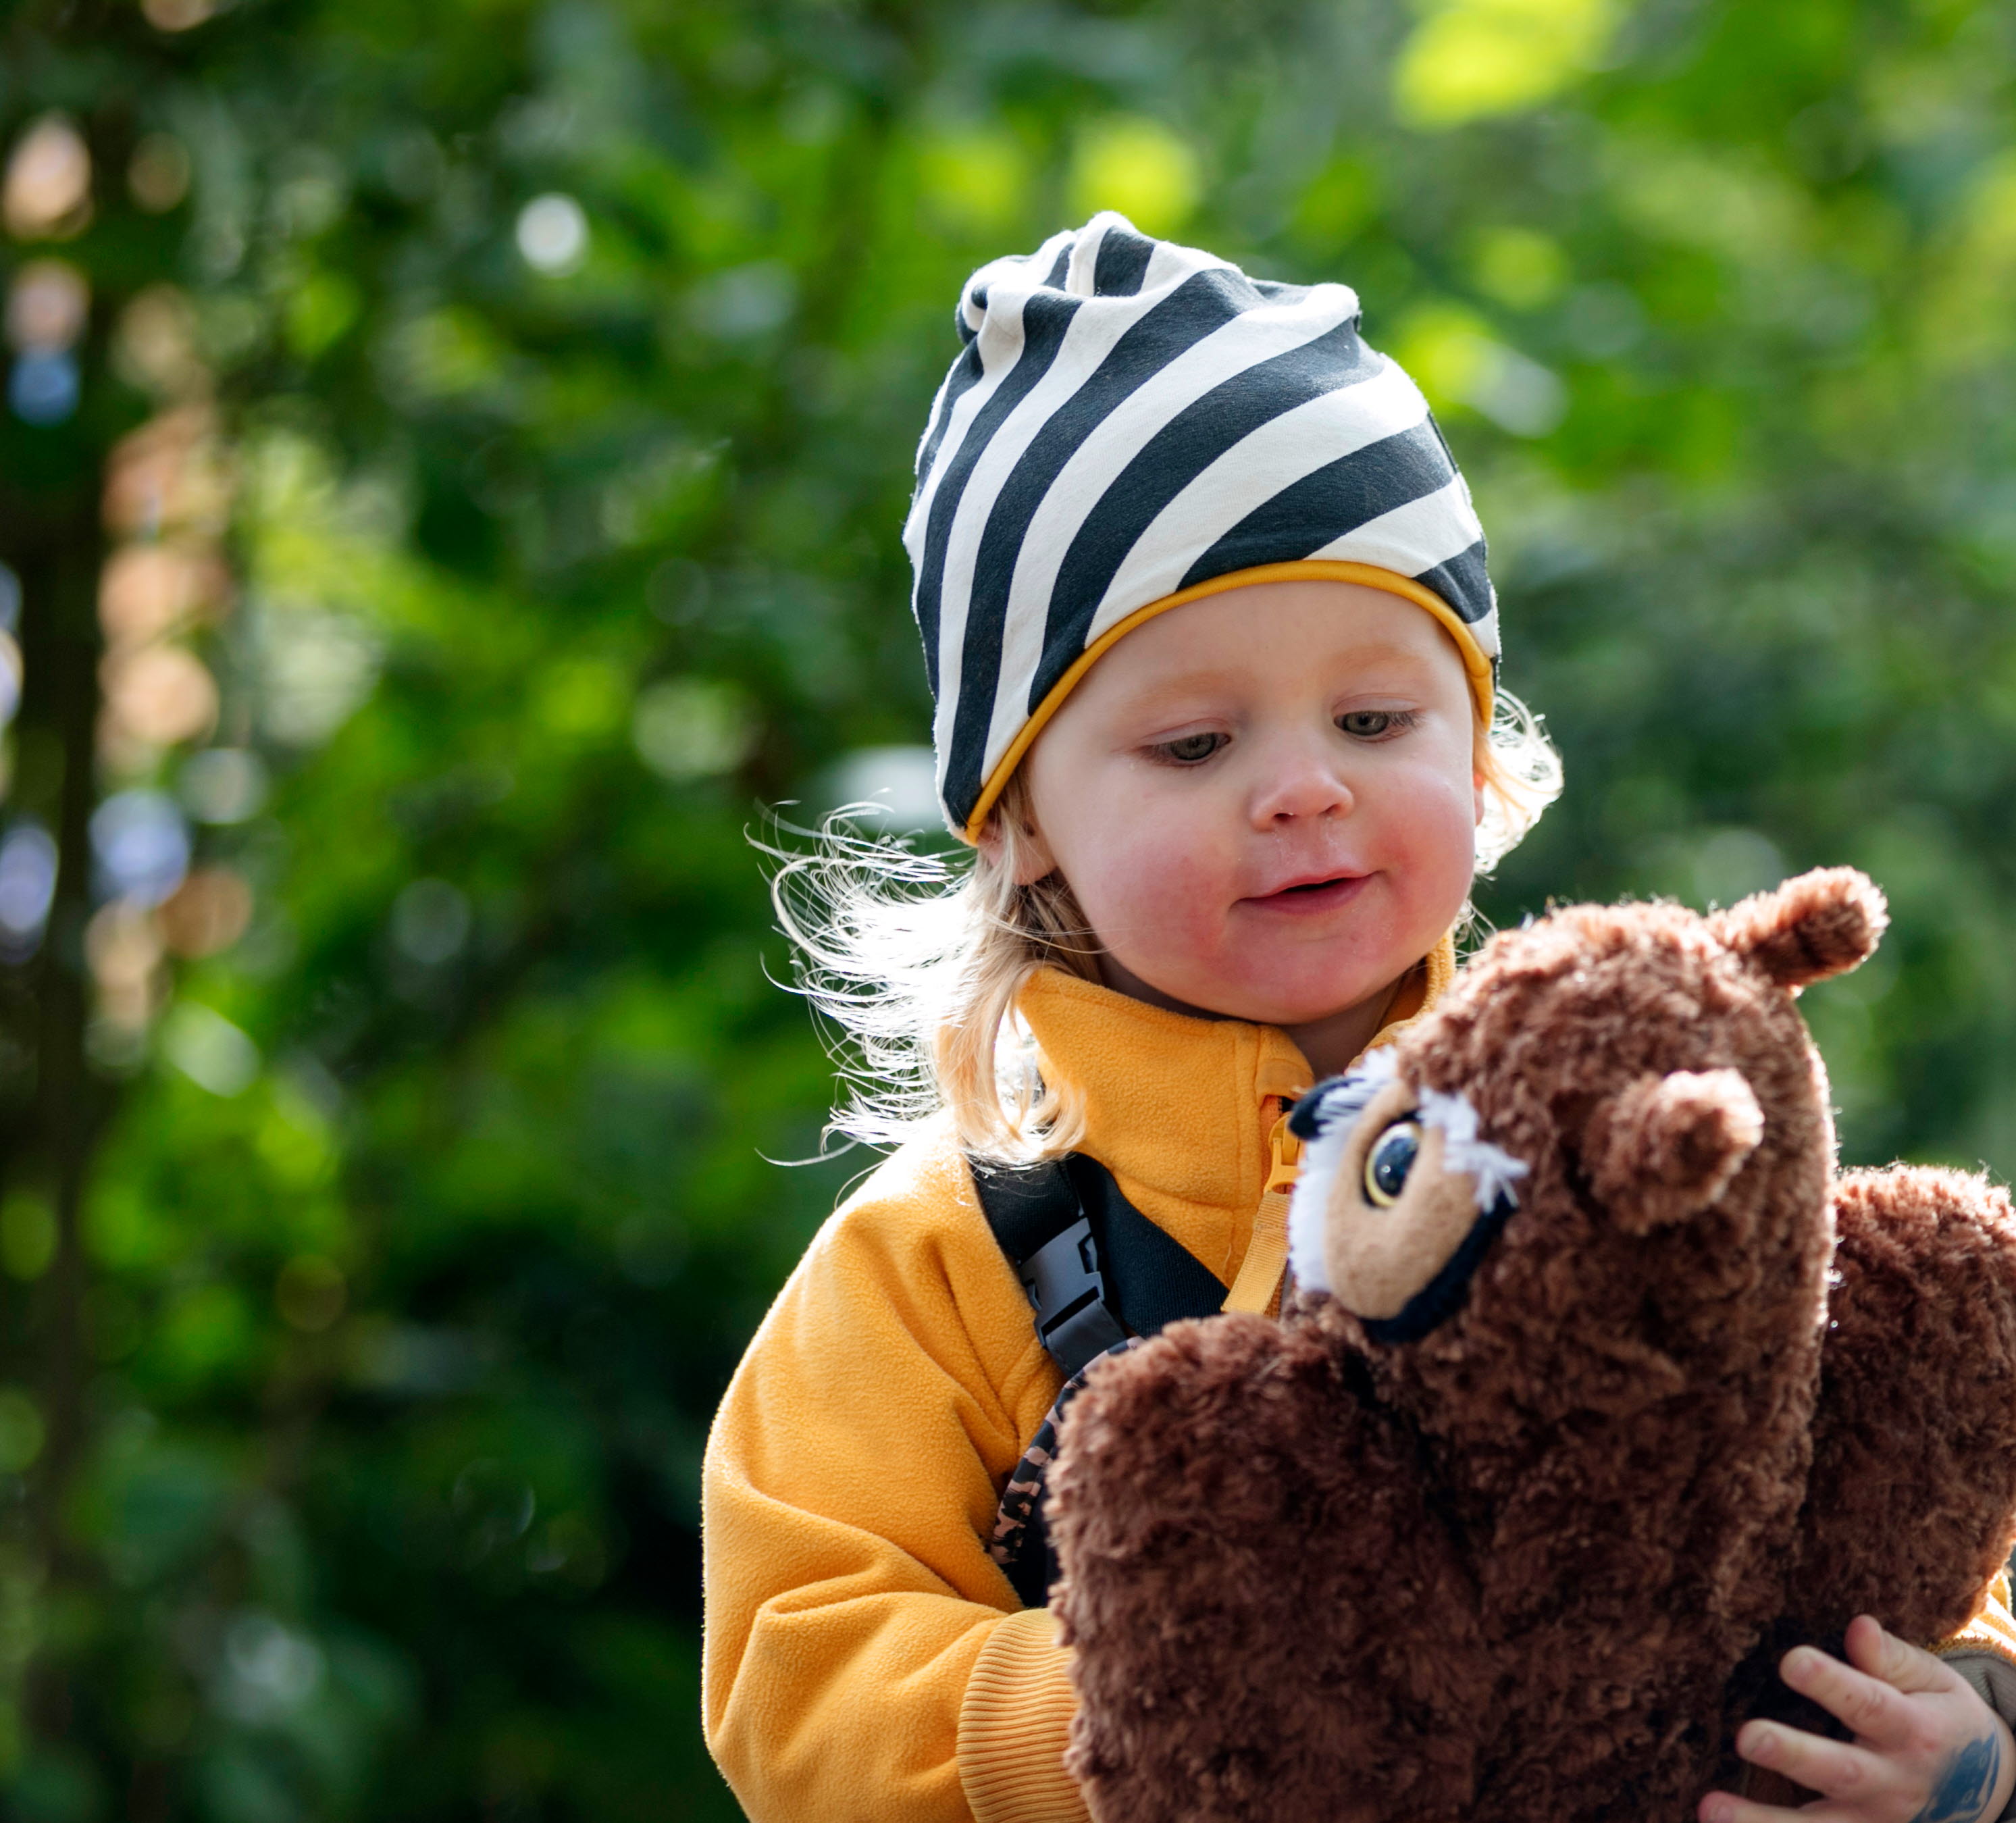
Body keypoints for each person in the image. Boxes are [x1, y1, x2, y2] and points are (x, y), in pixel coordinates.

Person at [700, 213, 2016, 1823]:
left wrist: (1960, 1730)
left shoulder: (1625, 1126)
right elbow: (791, 1670)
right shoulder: (954, 1251)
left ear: (1475, 749)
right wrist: (1138, 1705)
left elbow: (1871, 1470)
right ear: (1017, 817)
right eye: (1191, 745)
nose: (1303, 787)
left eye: (1375, 716)